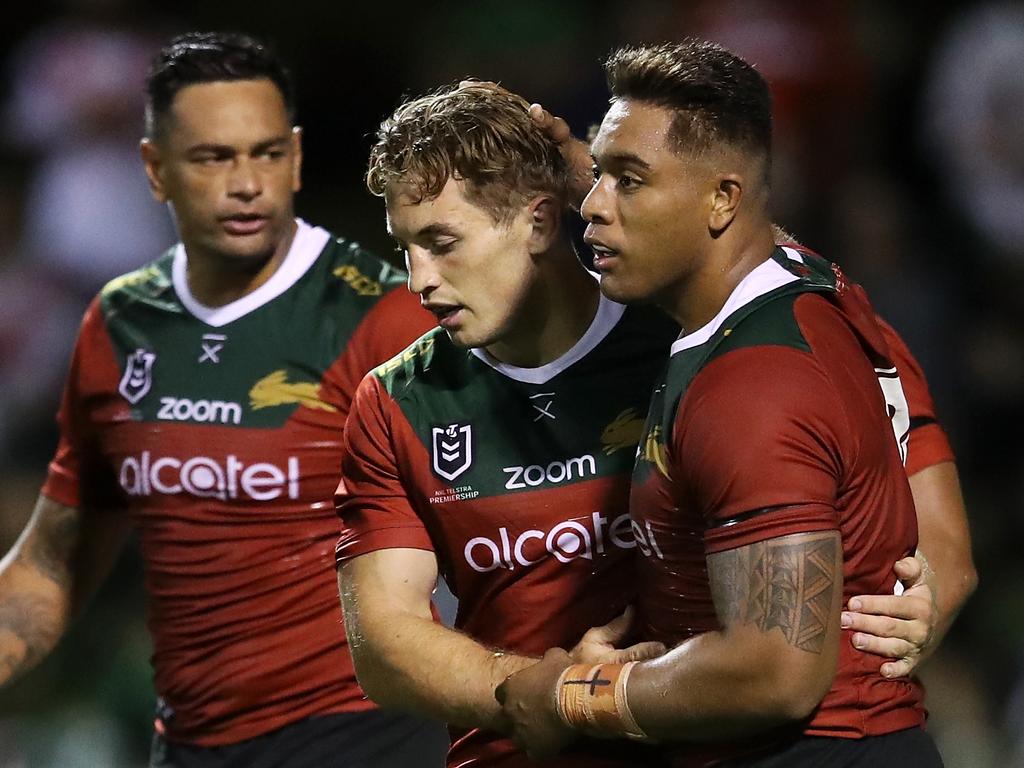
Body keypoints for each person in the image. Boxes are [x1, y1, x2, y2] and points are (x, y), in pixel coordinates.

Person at [334, 81, 957, 768]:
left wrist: (922, 598)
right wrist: (533, 692)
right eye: (405, 247)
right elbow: (384, 639)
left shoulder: (690, 336)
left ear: (540, 222)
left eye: (441, 243)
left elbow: (920, 499)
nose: (418, 280)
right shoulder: (396, 401)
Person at [496, 40, 968, 766]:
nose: (589, 206)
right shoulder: (824, 290)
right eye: (601, 174)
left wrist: (574, 697)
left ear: (723, 199)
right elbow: (951, 554)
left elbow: (776, 672)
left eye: (628, 180)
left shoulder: (751, 388)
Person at [0, 31, 448, 768]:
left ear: (297, 158)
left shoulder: (384, 318)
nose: (247, 183)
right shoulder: (119, 324)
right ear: (155, 170)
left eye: (267, 153)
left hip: (368, 737)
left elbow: (500, 518)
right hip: (188, 745)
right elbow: (54, 565)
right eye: (214, 157)